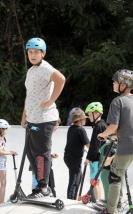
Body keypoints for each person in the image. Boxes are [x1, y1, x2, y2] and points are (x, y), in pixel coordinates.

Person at [91, 69, 133, 214]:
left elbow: (113, 126)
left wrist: (103, 135)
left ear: (123, 84)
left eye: (115, 81)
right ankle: (116, 203)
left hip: (127, 145)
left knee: (114, 175)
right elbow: (132, 125)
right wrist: (114, 136)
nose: (113, 83)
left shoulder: (118, 101)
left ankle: (109, 213)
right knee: (119, 172)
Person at [21, 37, 66, 199]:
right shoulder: (31, 70)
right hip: (33, 118)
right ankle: (39, 184)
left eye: (36, 52)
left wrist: (50, 101)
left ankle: (43, 188)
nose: (32, 55)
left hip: (45, 118)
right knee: (30, 153)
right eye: (30, 52)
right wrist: (24, 116)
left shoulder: (45, 68)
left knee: (41, 153)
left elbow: (61, 79)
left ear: (43, 53)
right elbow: (29, 95)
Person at [31, 119, 61, 197]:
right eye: (56, 125)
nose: (56, 128)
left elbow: (44, 150)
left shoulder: (48, 135)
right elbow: (42, 150)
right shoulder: (45, 133)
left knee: (50, 182)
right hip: (40, 163)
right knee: (39, 178)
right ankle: (40, 190)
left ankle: (46, 191)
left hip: (46, 163)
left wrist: (50, 154)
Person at [64, 109, 90, 199]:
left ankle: (73, 197)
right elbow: (88, 145)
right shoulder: (80, 130)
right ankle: (70, 199)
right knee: (75, 180)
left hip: (69, 157)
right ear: (79, 120)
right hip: (74, 159)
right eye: (84, 118)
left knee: (78, 178)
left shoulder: (71, 128)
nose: (85, 120)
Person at [84, 102, 107, 201]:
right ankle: (98, 200)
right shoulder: (103, 125)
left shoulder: (98, 126)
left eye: (90, 114)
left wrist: (89, 158)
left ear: (97, 114)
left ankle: (97, 201)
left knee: (94, 181)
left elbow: (95, 145)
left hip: (96, 158)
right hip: (101, 158)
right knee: (97, 181)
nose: (89, 117)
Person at [0, 119, 17, 204]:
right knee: (3, 183)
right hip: (0, 161)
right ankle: (1, 203)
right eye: (6, 129)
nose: (6, 131)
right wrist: (11, 152)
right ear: (2, 129)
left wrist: (9, 151)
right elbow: (0, 152)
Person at [97, 133, 118, 201]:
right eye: (116, 135)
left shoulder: (116, 146)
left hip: (114, 172)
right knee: (109, 195)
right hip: (107, 172)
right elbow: (105, 163)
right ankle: (107, 209)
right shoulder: (108, 147)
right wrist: (115, 155)